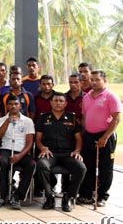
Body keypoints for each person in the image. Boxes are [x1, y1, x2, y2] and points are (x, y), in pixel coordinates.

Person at [35, 92, 86, 212]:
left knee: (81, 168)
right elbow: (38, 139)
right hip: (50, 153)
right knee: (41, 165)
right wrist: (43, 148)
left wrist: (77, 151)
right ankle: (49, 197)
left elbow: (79, 139)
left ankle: (68, 197)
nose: (58, 103)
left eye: (61, 101)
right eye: (56, 100)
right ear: (51, 103)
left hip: (68, 154)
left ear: (65, 103)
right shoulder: (43, 117)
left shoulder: (72, 118)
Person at [78, 70, 120, 207]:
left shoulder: (110, 96)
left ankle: (102, 195)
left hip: (106, 135)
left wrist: (105, 137)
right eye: (92, 80)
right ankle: (88, 194)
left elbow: (116, 118)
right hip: (89, 136)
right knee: (88, 165)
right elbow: (84, 116)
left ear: (104, 81)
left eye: (97, 79)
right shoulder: (86, 97)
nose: (94, 82)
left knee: (105, 166)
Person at [0, 95, 36, 209]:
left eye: (16, 104)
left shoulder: (28, 121)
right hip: (6, 149)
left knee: (31, 164)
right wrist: (7, 121)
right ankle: (1, 196)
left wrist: (20, 155)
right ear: (7, 106)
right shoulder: (1, 120)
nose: (13, 106)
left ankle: (17, 197)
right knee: (2, 162)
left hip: (22, 151)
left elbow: (30, 142)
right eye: (10, 104)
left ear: (20, 106)